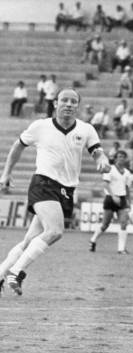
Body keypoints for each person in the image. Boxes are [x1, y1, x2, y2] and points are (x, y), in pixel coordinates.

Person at [0, 88, 111, 295]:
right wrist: (6, 173)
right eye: (64, 100)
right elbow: (18, 145)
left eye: (73, 101)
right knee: (55, 231)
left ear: (77, 106)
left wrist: (102, 159)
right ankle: (16, 271)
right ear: (55, 104)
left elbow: (96, 150)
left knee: (29, 240)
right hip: (44, 183)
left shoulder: (86, 129)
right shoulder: (40, 127)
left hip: (67, 190)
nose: (69, 104)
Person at [89, 150, 133, 254]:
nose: (121, 158)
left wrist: (128, 201)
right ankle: (93, 240)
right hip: (110, 198)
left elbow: (127, 188)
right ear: (116, 158)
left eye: (123, 156)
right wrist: (113, 196)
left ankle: (121, 249)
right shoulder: (110, 169)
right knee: (105, 224)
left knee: (124, 222)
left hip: (122, 199)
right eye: (119, 156)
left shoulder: (127, 173)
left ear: (126, 159)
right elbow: (105, 184)